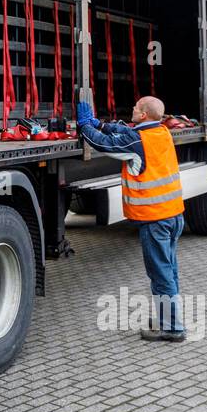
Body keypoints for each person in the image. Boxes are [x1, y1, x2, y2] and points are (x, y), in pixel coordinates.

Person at [76, 95, 187, 341]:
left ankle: (172, 328)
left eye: (136, 107)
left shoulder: (137, 142)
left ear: (144, 114)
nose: (133, 109)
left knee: (161, 275)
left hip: (155, 220)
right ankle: (168, 318)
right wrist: (101, 123)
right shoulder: (161, 132)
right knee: (170, 271)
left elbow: (105, 144)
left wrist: (85, 126)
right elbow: (125, 131)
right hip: (174, 215)